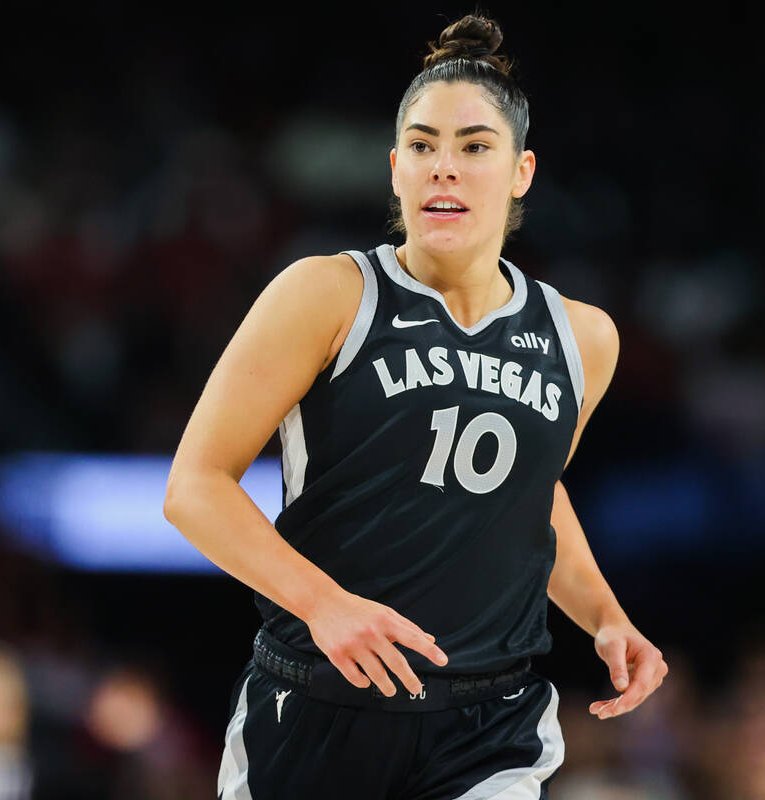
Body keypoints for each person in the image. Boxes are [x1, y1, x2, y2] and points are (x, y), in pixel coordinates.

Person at [164, 13, 669, 799]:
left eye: (474, 147)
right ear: (396, 168)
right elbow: (194, 488)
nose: (446, 169)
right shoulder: (328, 293)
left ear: (521, 171)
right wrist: (325, 606)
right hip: (319, 706)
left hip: (486, 726)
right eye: (424, 146)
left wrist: (605, 613)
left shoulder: (581, 337)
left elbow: (533, 497)